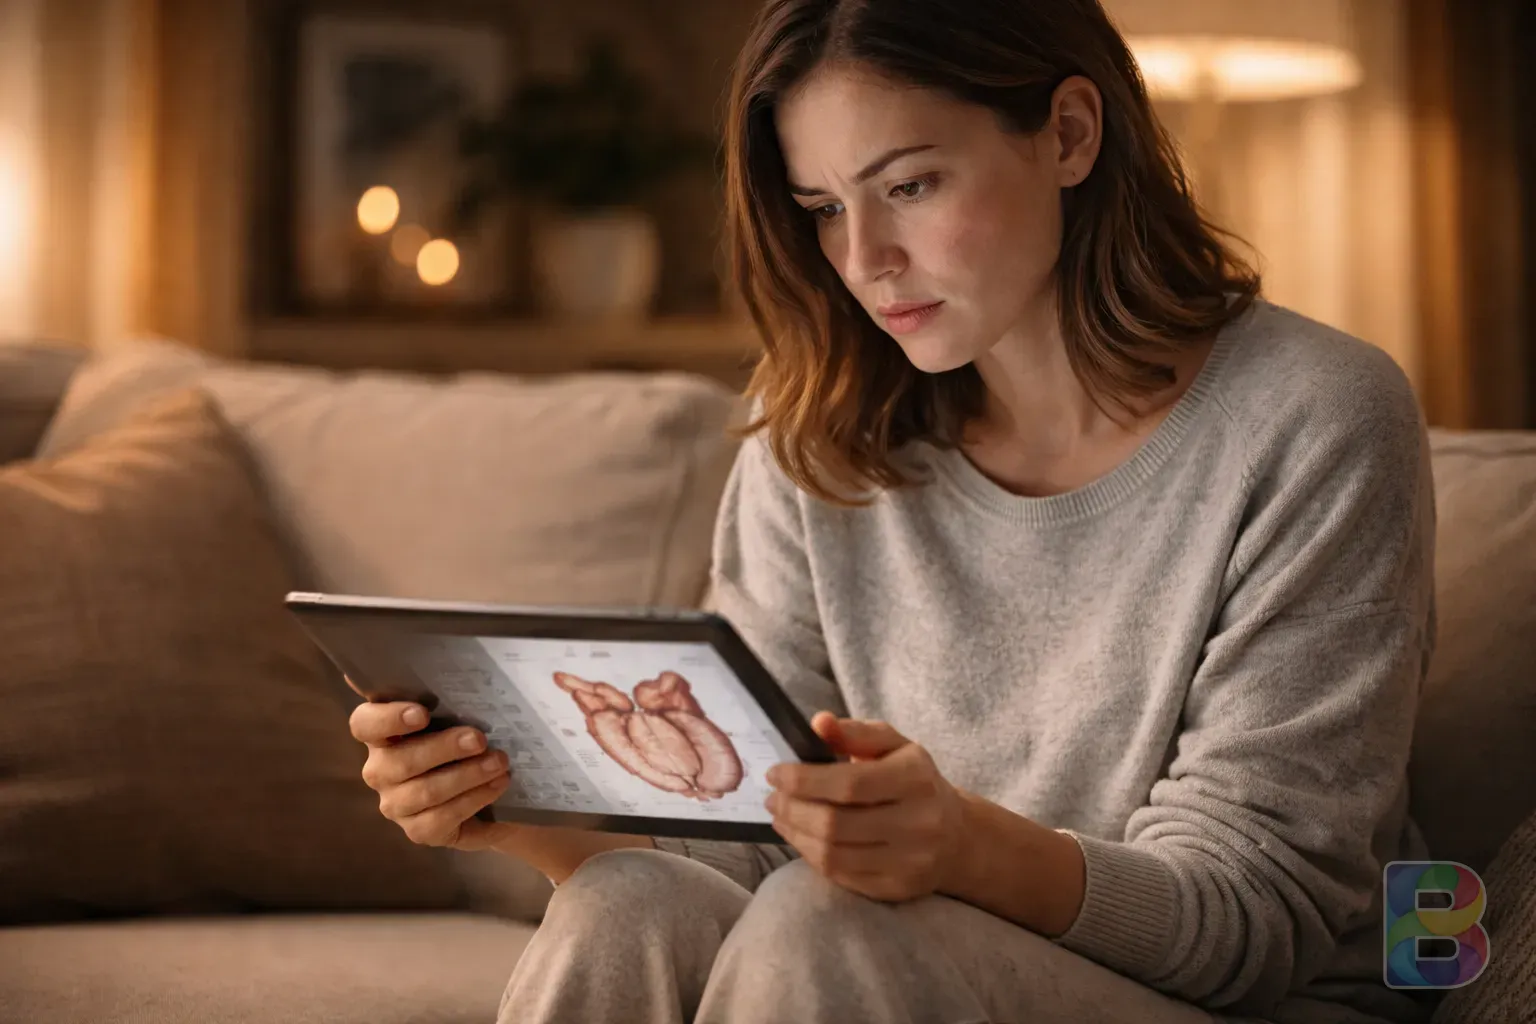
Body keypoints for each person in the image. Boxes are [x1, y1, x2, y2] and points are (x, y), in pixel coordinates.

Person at [346, 1, 1438, 1022]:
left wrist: (961, 848)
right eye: (823, 208)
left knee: (831, 924)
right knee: (629, 903)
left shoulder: (1315, 415)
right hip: (880, 971)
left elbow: (1258, 915)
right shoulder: (815, 426)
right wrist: (516, 810)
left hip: (1240, 999)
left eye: (909, 186)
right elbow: (741, 855)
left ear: (1066, 133)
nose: (863, 261)